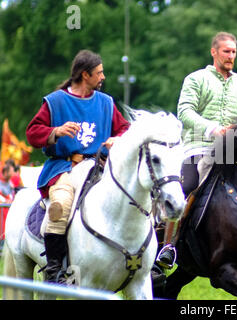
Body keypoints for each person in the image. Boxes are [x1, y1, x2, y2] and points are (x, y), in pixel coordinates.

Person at [156, 32, 237, 275]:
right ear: (214, 52)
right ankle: (169, 246)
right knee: (188, 184)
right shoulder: (195, 79)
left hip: (236, 148)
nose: (231, 56)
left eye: (234, 52)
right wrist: (214, 129)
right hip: (199, 147)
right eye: (226, 51)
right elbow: (185, 111)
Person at [26, 49, 130, 284]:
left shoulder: (106, 102)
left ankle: (140, 261)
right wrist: (56, 131)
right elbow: (32, 133)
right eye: (99, 73)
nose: (103, 77)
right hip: (64, 167)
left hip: (98, 168)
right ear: (85, 75)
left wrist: (117, 138)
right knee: (61, 205)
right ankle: (54, 270)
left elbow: (124, 128)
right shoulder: (55, 101)